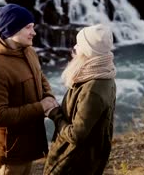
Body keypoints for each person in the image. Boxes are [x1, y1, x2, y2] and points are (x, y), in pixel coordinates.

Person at [0, 3, 59, 175]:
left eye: (33, 27)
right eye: (28, 27)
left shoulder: (28, 51)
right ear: (13, 29)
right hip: (9, 152)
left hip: (28, 146)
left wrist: (49, 97)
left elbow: (40, 75)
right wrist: (41, 107)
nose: (34, 32)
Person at [44, 24, 117, 175]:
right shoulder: (106, 73)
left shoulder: (92, 88)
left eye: (79, 44)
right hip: (88, 159)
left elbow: (76, 135)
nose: (75, 47)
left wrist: (53, 113)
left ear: (89, 51)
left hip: (74, 162)